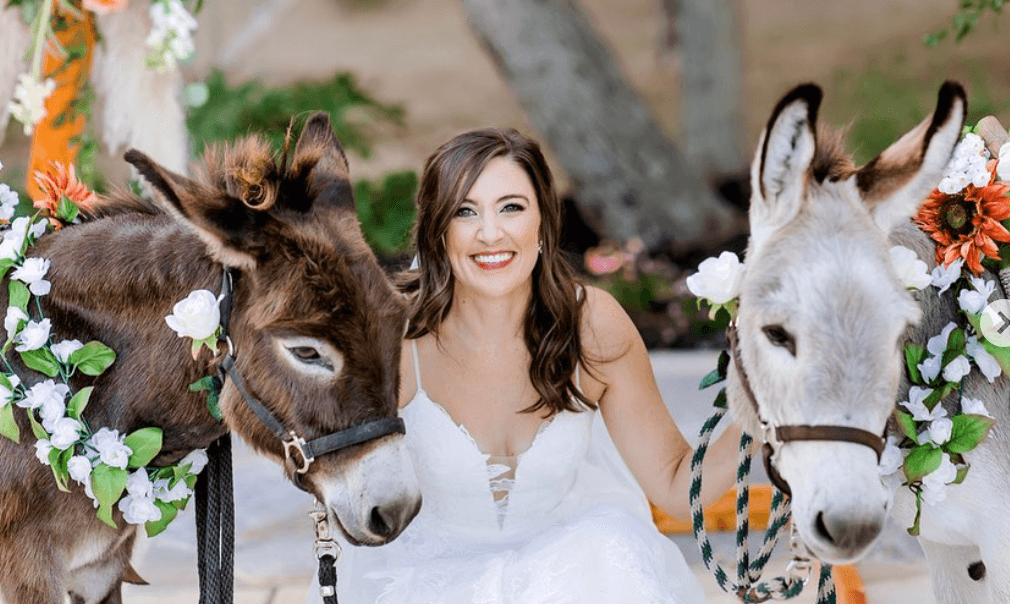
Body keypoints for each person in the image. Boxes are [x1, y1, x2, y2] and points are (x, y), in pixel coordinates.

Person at [316, 128, 742, 604]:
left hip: (570, 578)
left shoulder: (593, 327)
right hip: (426, 582)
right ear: (439, 230)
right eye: (465, 211)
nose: (490, 232)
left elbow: (677, 486)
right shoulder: (392, 339)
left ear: (542, 221)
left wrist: (760, 418)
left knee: (609, 550)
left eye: (511, 207)